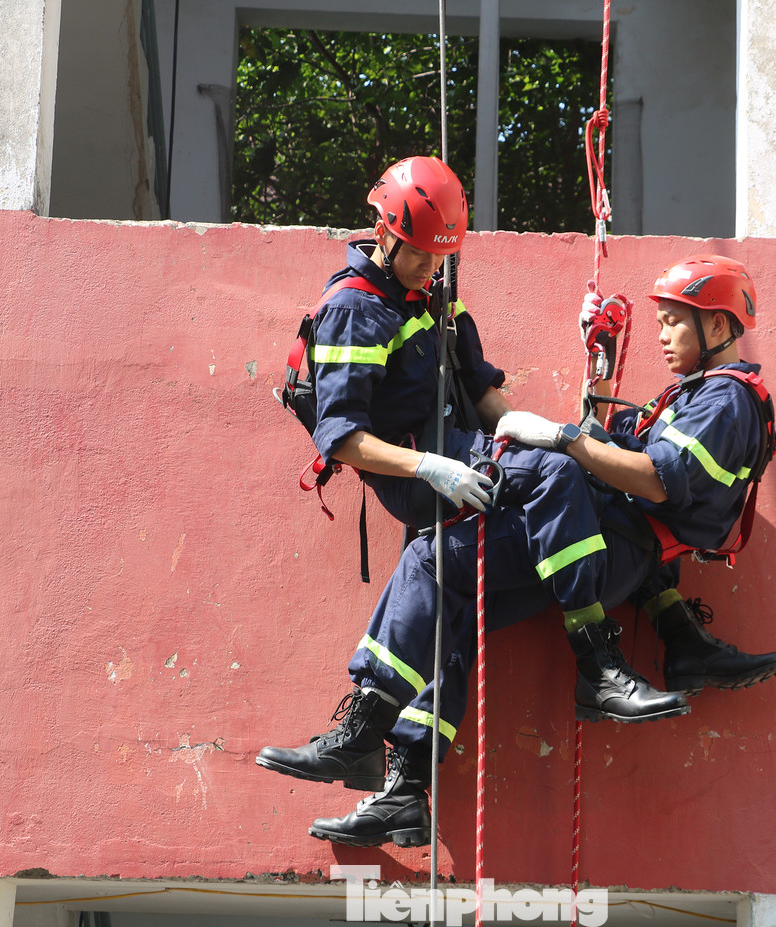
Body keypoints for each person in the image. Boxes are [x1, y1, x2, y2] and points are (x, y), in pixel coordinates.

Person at [259, 253, 776, 848]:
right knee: (455, 603)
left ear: (718, 328)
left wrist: (559, 437)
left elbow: (653, 479)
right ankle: (405, 790)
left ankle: (582, 668)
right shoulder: (698, 394)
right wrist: (601, 371)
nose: (663, 335)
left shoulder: (722, 401)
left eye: (674, 322)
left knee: (432, 560)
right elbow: (614, 451)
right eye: (661, 321)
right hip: (609, 550)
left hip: (608, 546)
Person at [274, 155, 684, 785]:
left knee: (461, 582)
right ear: (382, 231)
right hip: (416, 470)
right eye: (416, 253)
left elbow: (484, 392)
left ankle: (378, 756)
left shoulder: (436, 293)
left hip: (460, 447)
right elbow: (345, 441)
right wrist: (434, 467)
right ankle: (599, 667)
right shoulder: (353, 311)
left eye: (439, 255)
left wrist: (534, 431)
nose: (428, 266)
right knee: (556, 474)